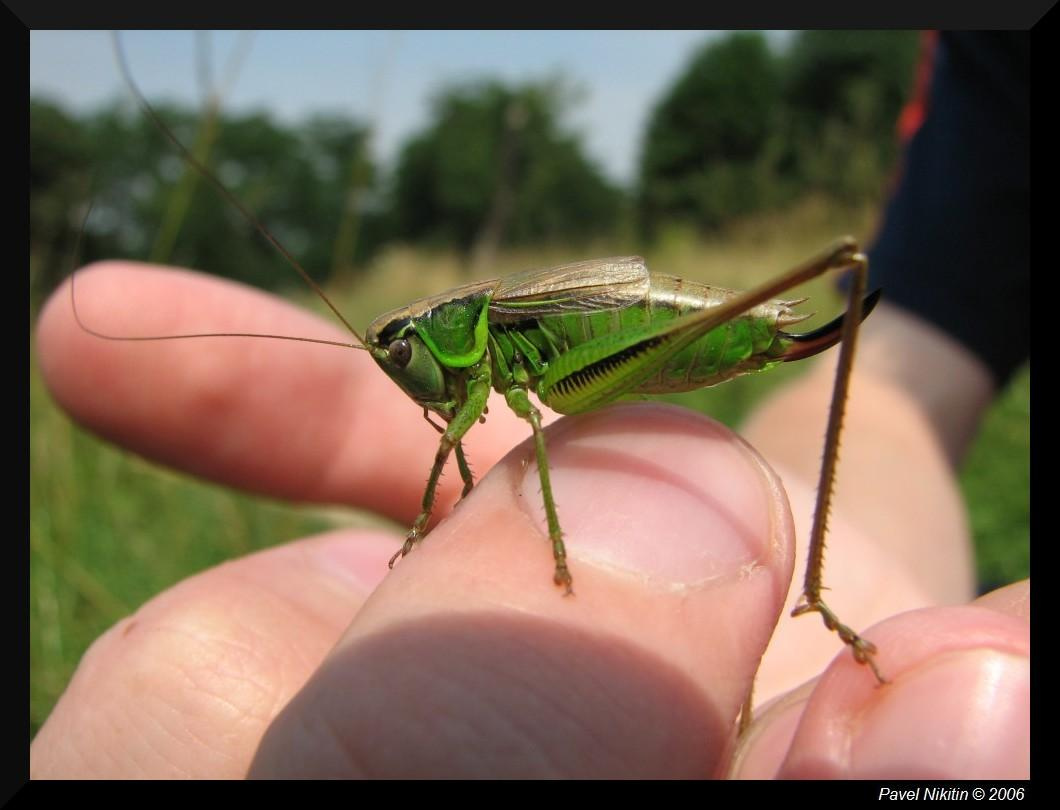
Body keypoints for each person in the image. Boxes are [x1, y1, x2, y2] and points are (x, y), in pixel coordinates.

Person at [30, 32, 1027, 778]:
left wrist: (556, 546)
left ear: (442, 330)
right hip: (651, 366)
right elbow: (466, 437)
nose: (406, 370)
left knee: (821, 281)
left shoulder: (496, 328)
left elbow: (517, 436)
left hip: (657, 330)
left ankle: (816, 591)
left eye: (403, 350)